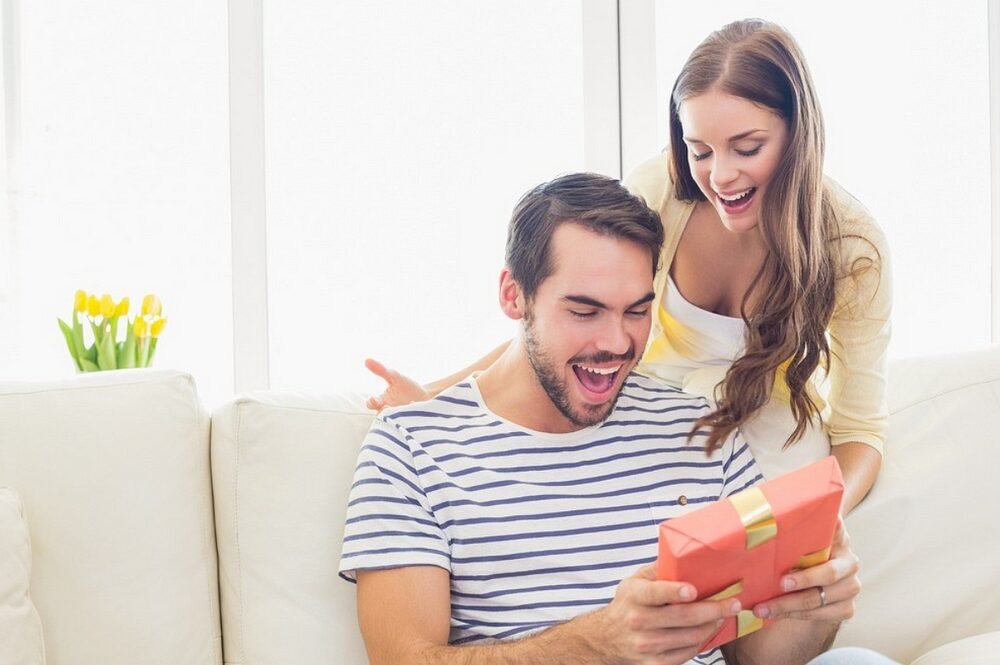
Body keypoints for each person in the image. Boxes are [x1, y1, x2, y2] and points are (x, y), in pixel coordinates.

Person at [341, 173, 883, 665]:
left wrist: (813, 604)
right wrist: (596, 643)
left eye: (637, 311)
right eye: (584, 311)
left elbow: (757, 657)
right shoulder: (411, 448)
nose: (616, 343)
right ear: (514, 296)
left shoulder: (700, 430)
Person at [363, 19, 891, 514]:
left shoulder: (852, 245)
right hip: (649, 419)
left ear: (799, 136)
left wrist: (817, 518)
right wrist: (436, 398)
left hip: (771, 442)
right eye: (699, 150)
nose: (720, 175)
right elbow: (567, 317)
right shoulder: (663, 191)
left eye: (746, 148)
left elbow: (861, 430)